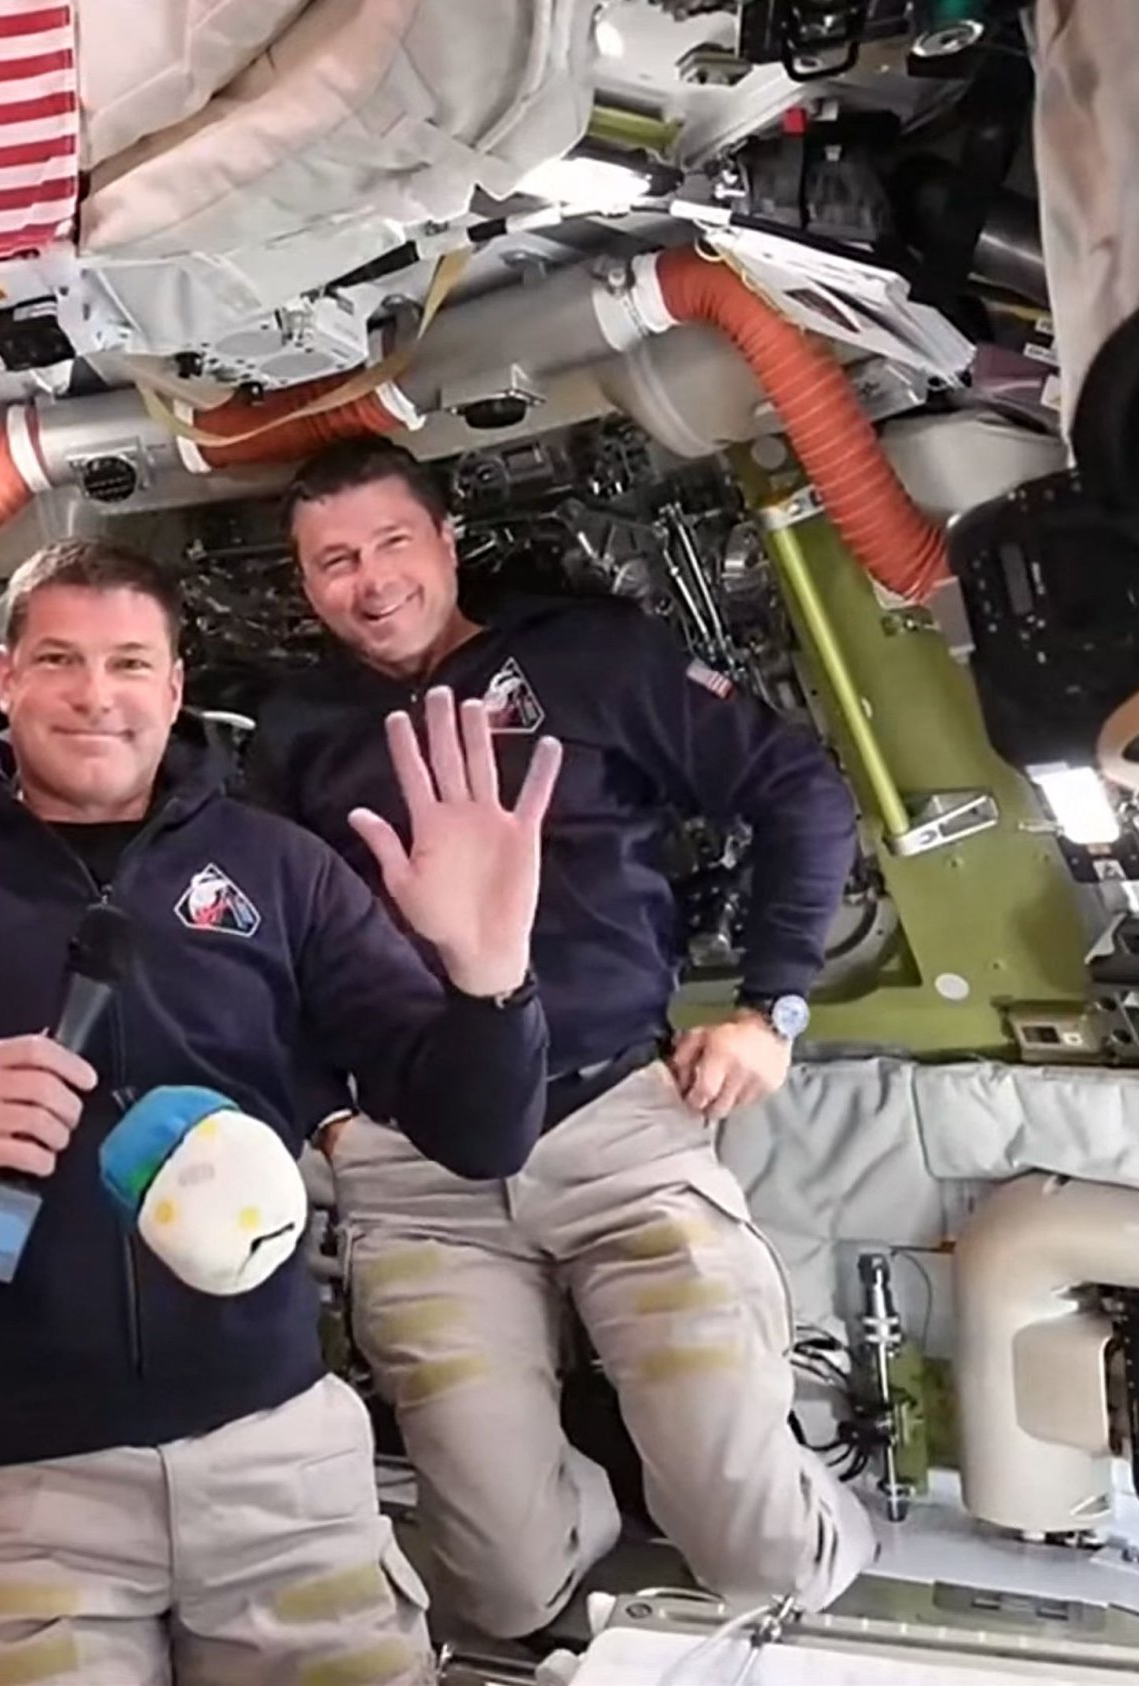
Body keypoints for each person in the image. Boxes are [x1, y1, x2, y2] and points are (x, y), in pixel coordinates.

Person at [0, 537, 559, 1684]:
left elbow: (481, 1133)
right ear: (6, 678)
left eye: (130, 663)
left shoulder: (280, 868)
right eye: (60, 660)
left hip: (277, 1460)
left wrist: (492, 983)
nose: (97, 695)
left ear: (175, 687)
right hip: (22, 1490)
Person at [247, 438, 875, 1639]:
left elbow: (799, 789)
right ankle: (580, 1521)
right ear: (306, 583)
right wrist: (322, 1115)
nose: (370, 581)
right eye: (334, 562)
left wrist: (773, 1012)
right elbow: (271, 942)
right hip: (417, 1171)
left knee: (760, 1552)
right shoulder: (298, 733)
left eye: (392, 543)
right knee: (497, 1591)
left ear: (446, 541)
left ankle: (787, 1524)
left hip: (617, 1133)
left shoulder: (588, 657)